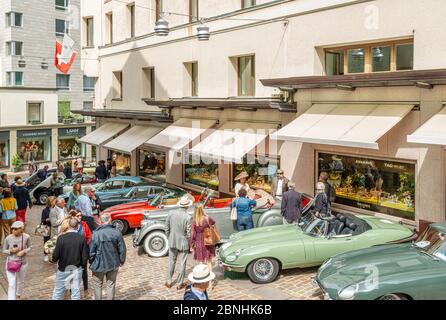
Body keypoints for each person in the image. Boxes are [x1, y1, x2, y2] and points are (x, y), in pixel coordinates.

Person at [89, 213, 126, 300]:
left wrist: (91, 261)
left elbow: (91, 252)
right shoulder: (116, 232)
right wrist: (121, 261)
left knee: (97, 285)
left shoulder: (95, 234)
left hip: (98, 264)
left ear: (101, 221)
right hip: (113, 263)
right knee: (111, 285)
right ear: (109, 220)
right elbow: (122, 249)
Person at [52, 218, 89, 300]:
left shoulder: (61, 238)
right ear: (78, 226)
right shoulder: (81, 238)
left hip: (63, 268)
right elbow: (84, 256)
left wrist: (54, 260)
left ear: (68, 225)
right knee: (75, 292)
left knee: (58, 291)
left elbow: (55, 255)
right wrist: (82, 266)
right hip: (76, 268)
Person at [165, 196, 192, 290]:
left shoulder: (171, 213)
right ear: (187, 206)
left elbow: (167, 227)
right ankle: (179, 283)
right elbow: (189, 234)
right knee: (182, 262)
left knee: (171, 261)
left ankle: (169, 281)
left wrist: (169, 237)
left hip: (172, 240)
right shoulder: (188, 217)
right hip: (183, 242)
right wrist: (190, 243)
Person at [2, 221, 31, 300]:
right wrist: (11, 251)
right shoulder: (8, 238)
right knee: (11, 283)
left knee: (20, 281)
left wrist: (24, 251)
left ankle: (18, 296)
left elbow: (30, 247)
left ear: (21, 229)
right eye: (12, 229)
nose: (13, 231)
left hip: (23, 262)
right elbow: (3, 250)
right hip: (11, 262)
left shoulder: (26, 237)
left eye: (15, 229)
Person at [70, 210, 92, 297]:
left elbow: (89, 236)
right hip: (73, 252)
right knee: (72, 271)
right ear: (73, 217)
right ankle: (72, 291)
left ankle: (86, 291)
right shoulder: (70, 225)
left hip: (83, 251)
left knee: (84, 271)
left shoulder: (84, 224)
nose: (80, 217)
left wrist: (86, 244)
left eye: (80, 215)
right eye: (78, 215)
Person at [189, 204, 216, 272]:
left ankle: (202, 279)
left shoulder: (194, 220)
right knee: (209, 261)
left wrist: (191, 245)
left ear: (195, 210)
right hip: (207, 240)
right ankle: (210, 281)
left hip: (199, 242)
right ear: (202, 209)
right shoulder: (207, 218)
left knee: (200, 262)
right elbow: (213, 222)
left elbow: (192, 233)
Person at [41, 196, 56, 262]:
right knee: (46, 241)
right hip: (47, 227)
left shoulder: (56, 209)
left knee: (54, 241)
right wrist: (47, 219)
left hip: (54, 227)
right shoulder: (45, 210)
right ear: (50, 202)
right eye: (53, 201)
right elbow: (42, 219)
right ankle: (46, 254)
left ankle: (54, 255)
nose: (55, 202)